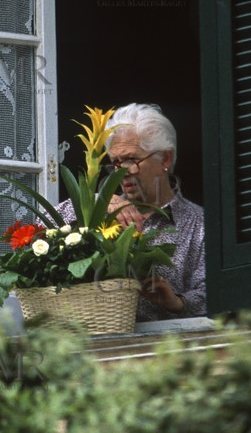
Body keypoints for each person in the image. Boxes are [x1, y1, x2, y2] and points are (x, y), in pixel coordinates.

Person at [62, 102, 206, 323]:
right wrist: (101, 200)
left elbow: (217, 295)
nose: (121, 172)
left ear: (165, 159)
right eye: (115, 162)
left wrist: (178, 303)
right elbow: (39, 233)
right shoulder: (102, 207)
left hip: (165, 341)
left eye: (131, 159)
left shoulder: (199, 223)